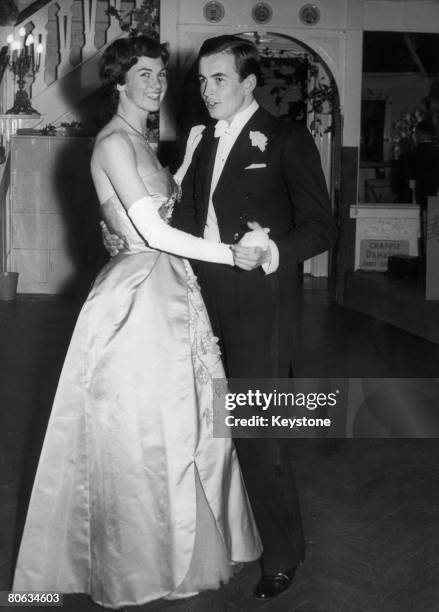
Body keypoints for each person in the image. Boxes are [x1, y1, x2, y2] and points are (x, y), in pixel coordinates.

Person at [12, 35, 264, 609]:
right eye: (144, 75)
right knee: (145, 435)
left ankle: (186, 545)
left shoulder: (143, 144)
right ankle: (143, 562)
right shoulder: (112, 145)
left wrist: (198, 156)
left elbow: (171, 216)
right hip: (136, 302)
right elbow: (151, 233)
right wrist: (233, 254)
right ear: (119, 83)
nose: (157, 84)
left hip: (173, 291)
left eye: (160, 75)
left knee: (189, 426)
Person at [173, 35, 337, 599]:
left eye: (218, 79)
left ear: (248, 83)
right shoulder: (200, 139)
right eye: (201, 80)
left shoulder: (287, 138)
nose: (206, 90)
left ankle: (285, 552)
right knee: (205, 426)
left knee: (257, 432)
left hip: (259, 305)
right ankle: (223, 536)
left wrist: (272, 250)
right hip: (203, 297)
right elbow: (191, 221)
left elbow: (322, 226)